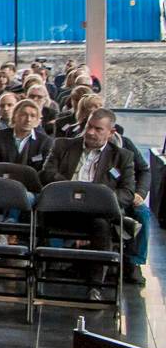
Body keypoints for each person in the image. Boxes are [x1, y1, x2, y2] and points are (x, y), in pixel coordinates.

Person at [41, 107, 143, 287]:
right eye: (89, 126)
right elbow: (47, 173)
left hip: (97, 213)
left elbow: (127, 192)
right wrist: (71, 190)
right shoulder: (62, 145)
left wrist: (99, 199)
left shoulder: (122, 157)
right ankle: (48, 271)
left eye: (98, 129)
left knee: (102, 224)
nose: (90, 132)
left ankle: (95, 284)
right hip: (62, 207)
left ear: (111, 132)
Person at [0, 99, 53, 171]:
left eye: (33, 116)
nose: (28, 119)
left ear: (38, 120)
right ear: (14, 116)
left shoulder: (45, 141)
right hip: (2, 179)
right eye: (24, 115)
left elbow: (44, 170)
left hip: (31, 181)